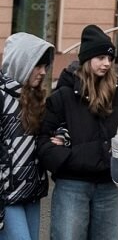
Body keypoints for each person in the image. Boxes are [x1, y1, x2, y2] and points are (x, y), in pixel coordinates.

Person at [38, 25, 118, 240]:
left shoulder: (117, 97)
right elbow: (42, 140)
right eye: (100, 57)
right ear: (87, 59)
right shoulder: (63, 97)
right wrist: (67, 159)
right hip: (73, 185)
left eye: (110, 58)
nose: (107, 63)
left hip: (109, 186)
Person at [1, 33, 55, 240]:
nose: (43, 72)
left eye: (45, 66)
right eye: (37, 66)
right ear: (21, 62)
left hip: (31, 193)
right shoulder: (2, 97)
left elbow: (48, 134)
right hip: (6, 197)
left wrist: (62, 136)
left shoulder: (37, 99)